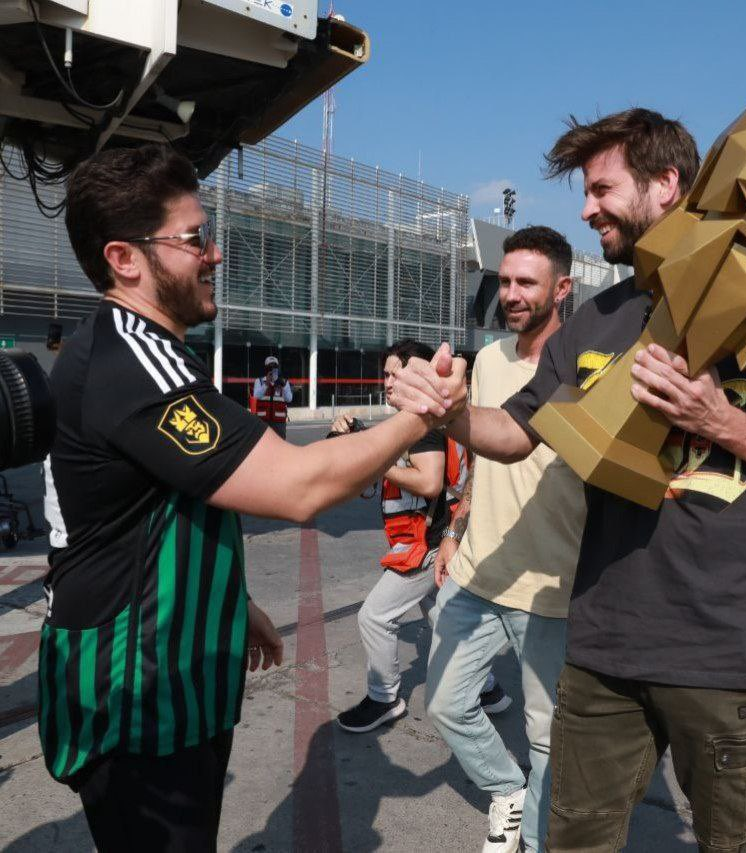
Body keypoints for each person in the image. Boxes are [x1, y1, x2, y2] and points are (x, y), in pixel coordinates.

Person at [391, 109, 746, 852]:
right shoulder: (597, 320)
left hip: (731, 656)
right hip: (604, 646)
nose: (585, 210)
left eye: (600, 189)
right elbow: (518, 433)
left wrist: (716, 418)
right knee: (572, 841)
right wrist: (454, 413)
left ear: (666, 185)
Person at [40, 144, 465, 852]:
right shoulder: (129, 359)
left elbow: (150, 509)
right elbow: (296, 487)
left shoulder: (153, 351)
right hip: (136, 694)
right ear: (125, 258)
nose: (213, 254)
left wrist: (233, 603)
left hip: (179, 670)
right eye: (195, 238)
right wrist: (422, 416)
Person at [425, 226, 585, 853]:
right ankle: (505, 790)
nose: (511, 294)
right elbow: (478, 460)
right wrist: (456, 525)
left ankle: (536, 841)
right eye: (506, 281)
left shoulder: (585, 369)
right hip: (477, 570)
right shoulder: (488, 362)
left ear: (562, 289)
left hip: (551, 584)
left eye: (526, 282)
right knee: (443, 703)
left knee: (546, 735)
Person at [330, 339, 451, 733]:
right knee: (445, 619)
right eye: (384, 374)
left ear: (415, 374)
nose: (385, 381)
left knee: (375, 616)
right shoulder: (405, 423)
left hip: (425, 546)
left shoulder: (423, 425)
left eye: (392, 373)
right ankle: (485, 688)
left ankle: (384, 698)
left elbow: (430, 482)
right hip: (423, 542)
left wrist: (376, 457)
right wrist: (350, 444)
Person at [252, 355, 292, 439]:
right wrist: (266, 384)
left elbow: (289, 399)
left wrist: (283, 386)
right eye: (270, 367)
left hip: (279, 422)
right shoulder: (259, 381)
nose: (272, 369)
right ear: (266, 369)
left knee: (280, 445)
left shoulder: (284, 382)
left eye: (274, 367)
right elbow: (256, 396)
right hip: (263, 421)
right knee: (263, 444)